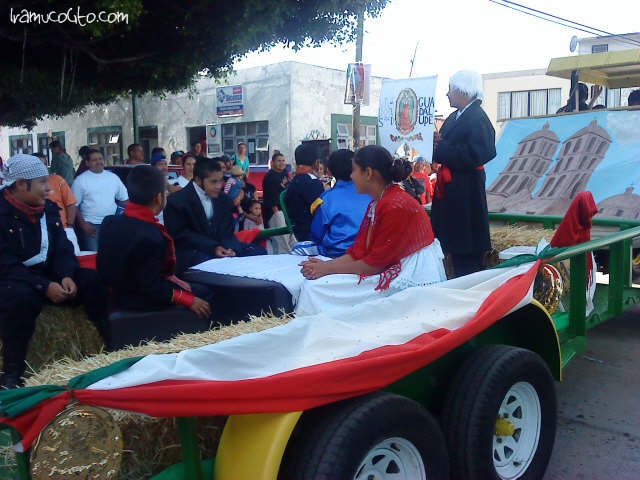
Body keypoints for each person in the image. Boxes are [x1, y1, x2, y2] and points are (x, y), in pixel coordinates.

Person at [297, 145, 446, 316]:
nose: (351, 176)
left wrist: (327, 268)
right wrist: (325, 265)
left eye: (354, 171)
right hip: (389, 266)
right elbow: (358, 251)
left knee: (317, 290)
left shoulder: (394, 204)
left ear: (368, 173)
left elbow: (374, 265)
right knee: (315, 288)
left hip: (410, 274)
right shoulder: (379, 202)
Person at [0, 154, 109, 388]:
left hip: (51, 274)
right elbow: (5, 263)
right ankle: (12, 372)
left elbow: (62, 248)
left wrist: (66, 275)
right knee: (18, 299)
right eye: (42, 183)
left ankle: (107, 350)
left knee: (92, 280)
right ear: (21, 184)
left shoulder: (48, 210)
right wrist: (43, 286)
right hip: (14, 279)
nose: (48, 189)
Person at [98, 165, 212, 319]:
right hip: (139, 300)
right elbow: (151, 288)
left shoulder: (109, 222)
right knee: (207, 293)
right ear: (159, 198)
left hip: (115, 295)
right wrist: (188, 299)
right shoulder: (151, 235)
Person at [431, 70, 496, 278]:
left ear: (462, 91)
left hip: (466, 190)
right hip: (452, 189)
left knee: (466, 248)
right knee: (452, 244)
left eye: (450, 90)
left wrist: (442, 149)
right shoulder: (455, 117)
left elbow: (482, 152)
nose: (447, 94)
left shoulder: (477, 117)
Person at [164, 157, 266, 273]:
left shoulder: (225, 200)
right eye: (213, 181)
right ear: (198, 180)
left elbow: (227, 232)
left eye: (221, 181)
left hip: (221, 249)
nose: (219, 186)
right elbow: (182, 236)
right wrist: (213, 248)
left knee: (259, 253)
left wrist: (229, 249)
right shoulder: (177, 202)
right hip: (194, 252)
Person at [309, 149, 371, 258]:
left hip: (336, 254)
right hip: (368, 252)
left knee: (298, 248)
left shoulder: (326, 199)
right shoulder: (372, 194)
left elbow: (317, 235)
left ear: (329, 171)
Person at [72, 149, 129, 251]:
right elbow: (74, 205)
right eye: (94, 160)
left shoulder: (113, 177)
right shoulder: (80, 180)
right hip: (91, 227)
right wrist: (83, 225)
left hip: (112, 225)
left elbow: (124, 199)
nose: (98, 162)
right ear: (87, 163)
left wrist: (120, 218)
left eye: (100, 159)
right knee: (94, 259)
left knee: (113, 256)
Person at [284, 143, 325, 241]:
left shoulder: (292, 183)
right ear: (316, 163)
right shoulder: (314, 183)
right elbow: (321, 213)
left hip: (297, 234)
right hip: (314, 237)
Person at [35, 152, 77, 229]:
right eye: (39, 165)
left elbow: (71, 204)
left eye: (44, 164)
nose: (42, 167)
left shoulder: (58, 180)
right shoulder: (26, 184)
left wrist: (70, 226)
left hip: (62, 228)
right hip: (37, 230)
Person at [262, 151, 290, 226]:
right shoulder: (269, 177)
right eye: (279, 161)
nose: (281, 163)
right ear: (273, 162)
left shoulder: (285, 173)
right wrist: (277, 214)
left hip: (285, 209)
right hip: (274, 212)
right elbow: (270, 197)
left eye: (283, 161)